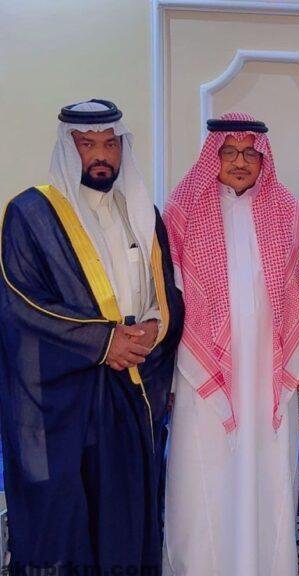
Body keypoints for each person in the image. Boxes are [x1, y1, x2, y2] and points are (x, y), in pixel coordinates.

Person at [0, 99, 183, 575]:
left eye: (109, 144)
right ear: (69, 148)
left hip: (130, 388)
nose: (101, 155)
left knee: (125, 514)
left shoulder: (141, 213)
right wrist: (103, 342)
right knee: (66, 520)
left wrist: (154, 328)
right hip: (61, 401)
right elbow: (22, 303)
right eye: (87, 144)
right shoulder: (30, 214)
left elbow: (166, 291)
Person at [161, 112, 299, 575]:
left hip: (270, 370)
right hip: (199, 370)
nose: (239, 162)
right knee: (202, 478)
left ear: (263, 159)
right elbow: (168, 297)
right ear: (212, 156)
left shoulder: (289, 212)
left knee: (267, 476)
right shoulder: (182, 211)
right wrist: (170, 375)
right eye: (228, 152)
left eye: (250, 153)